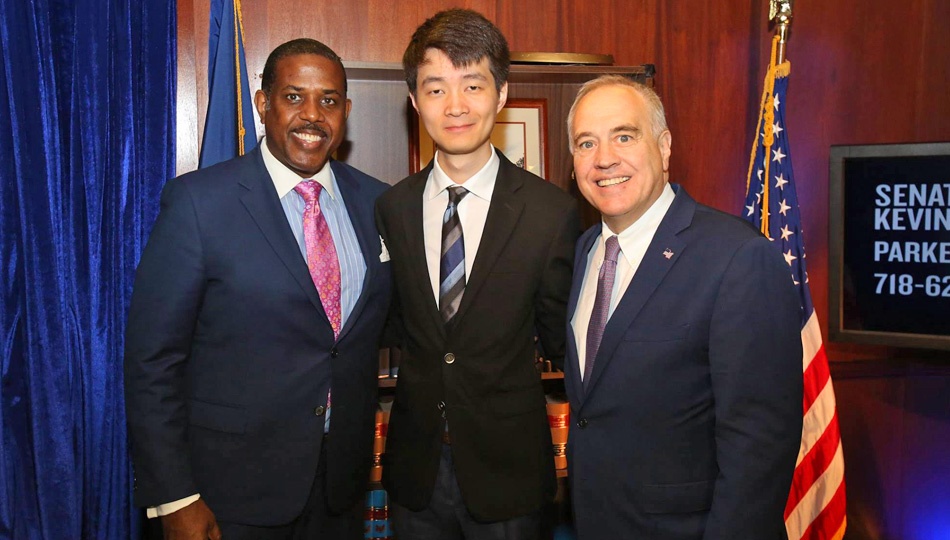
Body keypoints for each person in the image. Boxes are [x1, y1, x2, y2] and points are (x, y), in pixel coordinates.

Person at [124, 38, 391, 540]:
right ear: (262, 103)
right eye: (294, 96)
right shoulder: (199, 204)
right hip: (229, 492)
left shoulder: (377, 202)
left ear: (346, 111)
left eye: (329, 100)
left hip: (341, 487)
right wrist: (174, 496)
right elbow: (152, 361)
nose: (312, 115)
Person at [564, 75, 803, 539]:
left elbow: (759, 449)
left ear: (665, 145)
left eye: (624, 136)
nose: (604, 158)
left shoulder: (738, 257)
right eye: (585, 142)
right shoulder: (587, 249)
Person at [374, 9, 579, 540]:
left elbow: (560, 336)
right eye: (436, 89)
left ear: (502, 93)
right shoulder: (392, 208)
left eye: (473, 84)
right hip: (414, 474)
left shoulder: (551, 212)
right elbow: (394, 324)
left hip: (508, 474)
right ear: (416, 102)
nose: (457, 106)